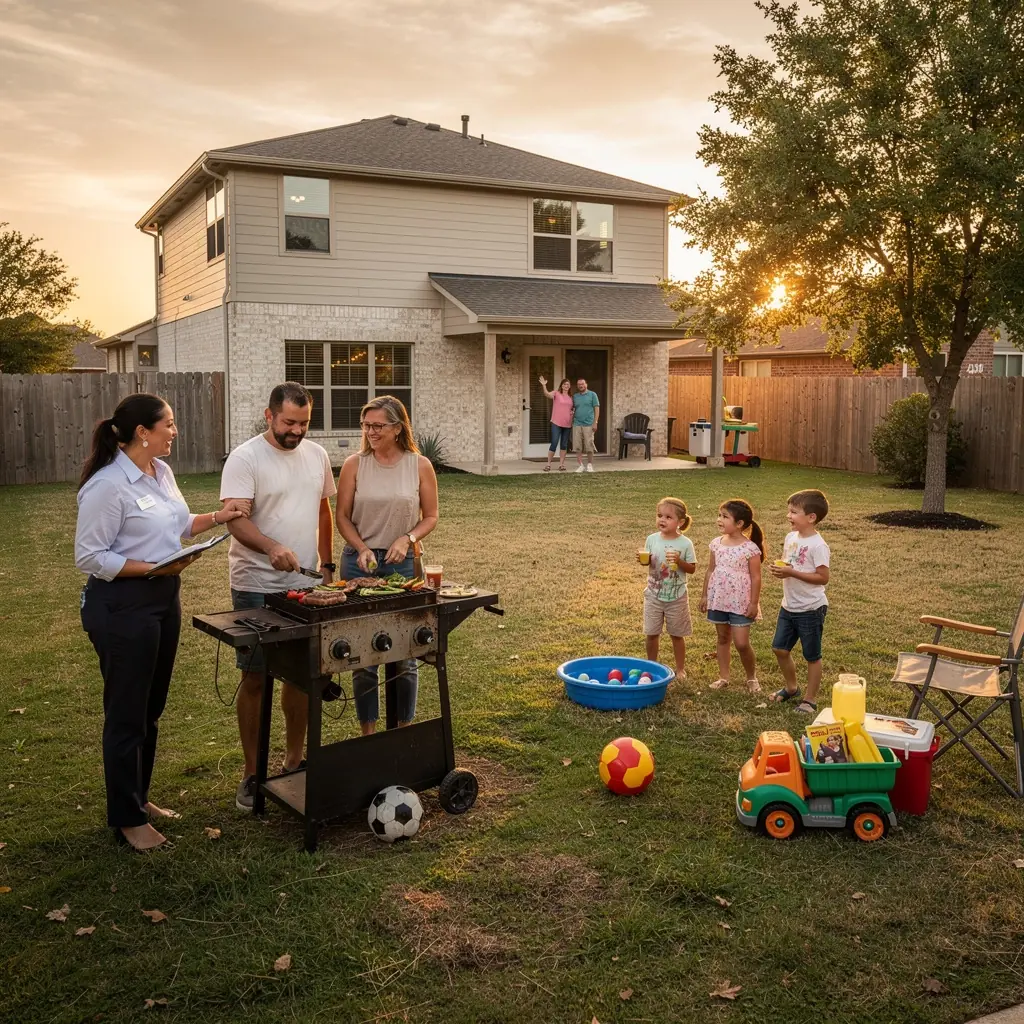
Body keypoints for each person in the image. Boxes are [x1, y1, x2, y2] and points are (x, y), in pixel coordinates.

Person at [76, 394, 250, 851]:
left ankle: (139, 798)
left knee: (150, 710)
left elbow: (176, 524)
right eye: (168, 425)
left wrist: (218, 518)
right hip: (120, 607)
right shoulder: (107, 486)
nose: (174, 432)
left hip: (162, 599)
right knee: (126, 714)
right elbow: (90, 556)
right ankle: (127, 820)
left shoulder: (162, 472)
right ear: (142, 433)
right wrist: (151, 569)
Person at [220, 382, 337, 812]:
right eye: (289, 422)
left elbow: (323, 509)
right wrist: (270, 547)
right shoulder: (246, 457)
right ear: (269, 416)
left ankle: (292, 761)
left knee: (302, 677)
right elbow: (235, 520)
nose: (297, 431)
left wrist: (325, 565)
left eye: (304, 423)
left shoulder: (318, 455)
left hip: (305, 586)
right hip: (255, 584)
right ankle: (252, 773)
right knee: (255, 677)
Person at [335, 395, 439, 735]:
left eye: (377, 425)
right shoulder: (354, 464)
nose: (370, 431)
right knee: (362, 656)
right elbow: (343, 518)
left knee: (404, 653)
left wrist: (406, 538)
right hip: (357, 564)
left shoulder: (419, 465)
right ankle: (369, 736)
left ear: (397, 427)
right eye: (366, 425)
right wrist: (361, 547)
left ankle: (401, 732)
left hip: (402, 564)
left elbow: (431, 516)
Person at [768, 488, 831, 714]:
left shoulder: (818, 545)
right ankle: (792, 687)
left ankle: (810, 699)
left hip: (810, 608)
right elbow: (790, 564)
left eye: (794, 512)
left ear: (811, 517)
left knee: (812, 656)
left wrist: (792, 573)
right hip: (789, 605)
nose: (789, 516)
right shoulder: (791, 537)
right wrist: (781, 569)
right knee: (779, 648)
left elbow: (823, 577)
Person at [699, 498, 765, 693]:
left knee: (742, 643)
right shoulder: (716, 544)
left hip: (741, 602)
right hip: (719, 598)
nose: (719, 519)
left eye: (725, 517)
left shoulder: (750, 548)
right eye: (719, 515)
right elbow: (710, 571)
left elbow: (756, 577)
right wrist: (705, 596)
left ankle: (751, 677)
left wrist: (754, 603)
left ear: (739, 524)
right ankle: (724, 677)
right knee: (722, 638)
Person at [637, 497, 696, 677]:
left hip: (676, 596)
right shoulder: (651, 539)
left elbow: (692, 568)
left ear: (681, 522)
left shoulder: (685, 543)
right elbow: (649, 563)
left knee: (677, 634)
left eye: (668, 517)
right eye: (659, 515)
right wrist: (642, 560)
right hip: (653, 594)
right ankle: (652, 666)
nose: (662, 520)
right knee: (652, 633)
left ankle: (680, 669)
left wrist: (679, 562)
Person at [538, 376, 573, 471]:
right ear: (561, 385)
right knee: (554, 442)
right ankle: (548, 464)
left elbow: (573, 408)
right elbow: (547, 394)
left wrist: (573, 412)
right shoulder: (556, 393)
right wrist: (544, 386)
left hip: (567, 424)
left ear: (569, 387)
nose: (566, 386)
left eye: (568, 385)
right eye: (565, 384)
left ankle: (561, 464)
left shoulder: (571, 397)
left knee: (564, 445)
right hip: (556, 423)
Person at [571, 377, 600, 473]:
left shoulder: (592, 395)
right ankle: (580, 465)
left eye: (582, 384)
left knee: (589, 445)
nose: (580, 386)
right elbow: (572, 409)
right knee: (578, 446)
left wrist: (595, 422)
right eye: (579, 384)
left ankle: (589, 465)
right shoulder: (575, 397)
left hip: (589, 424)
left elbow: (596, 409)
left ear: (586, 384)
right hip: (577, 424)